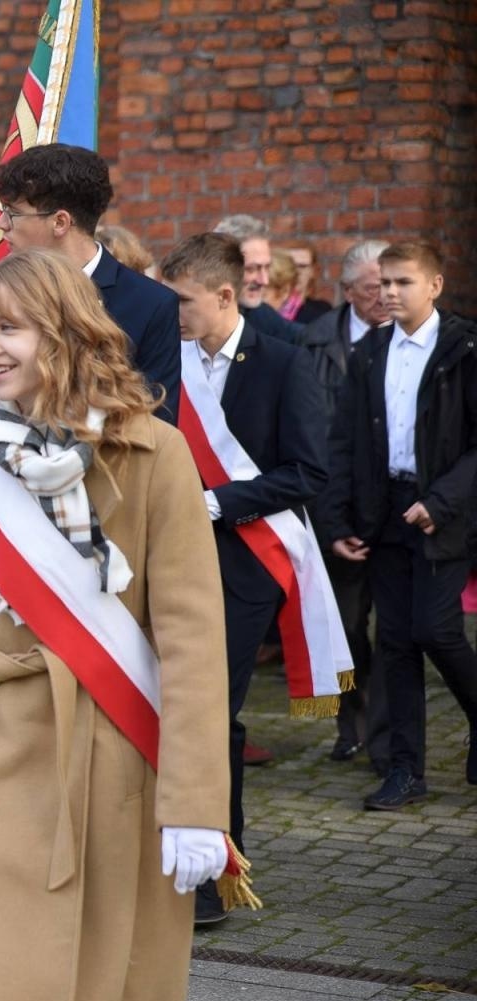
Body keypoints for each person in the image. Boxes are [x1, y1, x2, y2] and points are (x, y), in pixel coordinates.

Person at [0, 249, 230, 1001]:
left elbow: (191, 641)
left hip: (118, 757)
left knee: (107, 992)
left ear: (69, 333)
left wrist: (197, 803)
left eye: (10, 327)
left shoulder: (156, 454)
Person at [159, 233, 327, 924]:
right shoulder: (164, 363)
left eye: (184, 303)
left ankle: (214, 870)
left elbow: (308, 472)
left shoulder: (286, 362)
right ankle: (184, 849)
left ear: (225, 296)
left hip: (244, 564)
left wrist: (217, 502)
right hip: (169, 561)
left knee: (207, 713)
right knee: (178, 710)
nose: (173, 316)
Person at [321, 241, 477, 809]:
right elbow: (345, 441)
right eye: (384, 282)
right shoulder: (370, 354)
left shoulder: (463, 347)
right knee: (395, 642)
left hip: (446, 513)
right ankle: (406, 769)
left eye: (402, 282)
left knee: (436, 630)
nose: (389, 292)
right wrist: (338, 518)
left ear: (434, 286)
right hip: (383, 510)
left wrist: (440, 501)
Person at [0, 143, 182, 420]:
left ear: (60, 222)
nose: (1, 225)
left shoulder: (150, 304)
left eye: (13, 213)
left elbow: (156, 421)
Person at [302, 239, 391, 767]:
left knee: (406, 634)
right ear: (348, 291)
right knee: (347, 628)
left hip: (400, 510)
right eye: (373, 287)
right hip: (339, 508)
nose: (384, 295)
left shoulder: (429, 342)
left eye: (390, 284)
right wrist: (331, 519)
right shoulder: (315, 343)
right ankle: (350, 721)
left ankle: (389, 732)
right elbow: (318, 439)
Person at [211, 214, 305, 345]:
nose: (264, 280)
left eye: (267, 267)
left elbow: (306, 336)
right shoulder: (187, 318)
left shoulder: (261, 315)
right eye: (251, 269)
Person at [281, 241, 333, 324]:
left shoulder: (322, 311)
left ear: (313, 271)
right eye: (291, 265)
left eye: (302, 266)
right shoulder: (269, 308)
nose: (296, 272)